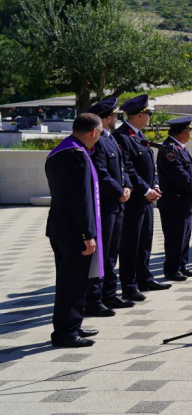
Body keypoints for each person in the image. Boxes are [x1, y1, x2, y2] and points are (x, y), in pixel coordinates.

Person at [45, 113, 104, 348]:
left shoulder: (62, 150)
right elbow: (81, 200)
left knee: (72, 280)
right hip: (73, 231)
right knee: (72, 282)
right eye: (100, 132)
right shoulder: (76, 156)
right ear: (93, 132)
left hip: (60, 227)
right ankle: (66, 332)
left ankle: (73, 324)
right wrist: (87, 234)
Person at [115, 94, 167, 301]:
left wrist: (154, 184)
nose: (150, 117)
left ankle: (144, 277)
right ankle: (129, 285)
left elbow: (148, 167)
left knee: (145, 240)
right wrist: (146, 190)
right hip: (135, 199)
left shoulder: (140, 136)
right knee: (130, 244)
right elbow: (128, 169)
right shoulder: (123, 137)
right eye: (148, 113)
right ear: (138, 115)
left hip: (146, 197)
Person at [86, 98, 131, 316]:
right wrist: (119, 191)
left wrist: (127, 186)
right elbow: (101, 174)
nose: (117, 118)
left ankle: (110, 294)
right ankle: (95, 299)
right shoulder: (98, 142)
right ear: (107, 118)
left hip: (116, 205)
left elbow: (122, 168)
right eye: (115, 115)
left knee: (112, 252)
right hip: (105, 205)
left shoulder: (109, 138)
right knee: (101, 255)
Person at [156, 116, 192, 282]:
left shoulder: (180, 148)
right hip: (174, 202)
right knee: (175, 238)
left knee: (184, 236)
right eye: (190, 129)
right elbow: (179, 175)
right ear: (182, 131)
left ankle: (182, 266)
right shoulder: (169, 149)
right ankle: (172, 269)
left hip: (184, 201)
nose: (191, 132)